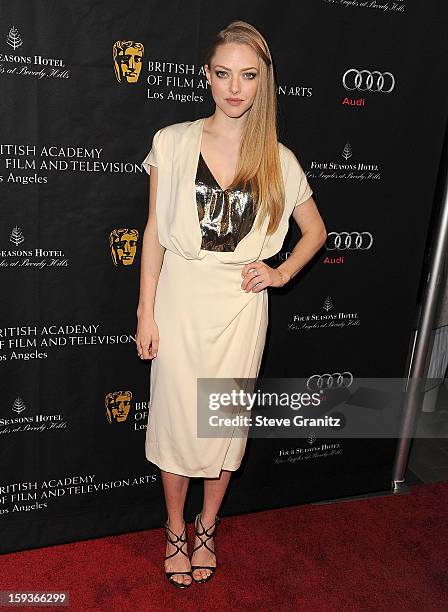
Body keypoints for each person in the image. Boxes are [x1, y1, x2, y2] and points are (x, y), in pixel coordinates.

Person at [136, 20, 327, 588]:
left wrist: (280, 271)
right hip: (180, 301)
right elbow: (152, 232)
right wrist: (146, 310)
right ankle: (175, 529)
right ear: (207, 76)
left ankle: (208, 525)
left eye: (248, 75)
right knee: (175, 422)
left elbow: (315, 231)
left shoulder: (278, 159)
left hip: (240, 311)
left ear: (263, 81)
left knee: (222, 427)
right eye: (224, 74)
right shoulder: (171, 143)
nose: (235, 88)